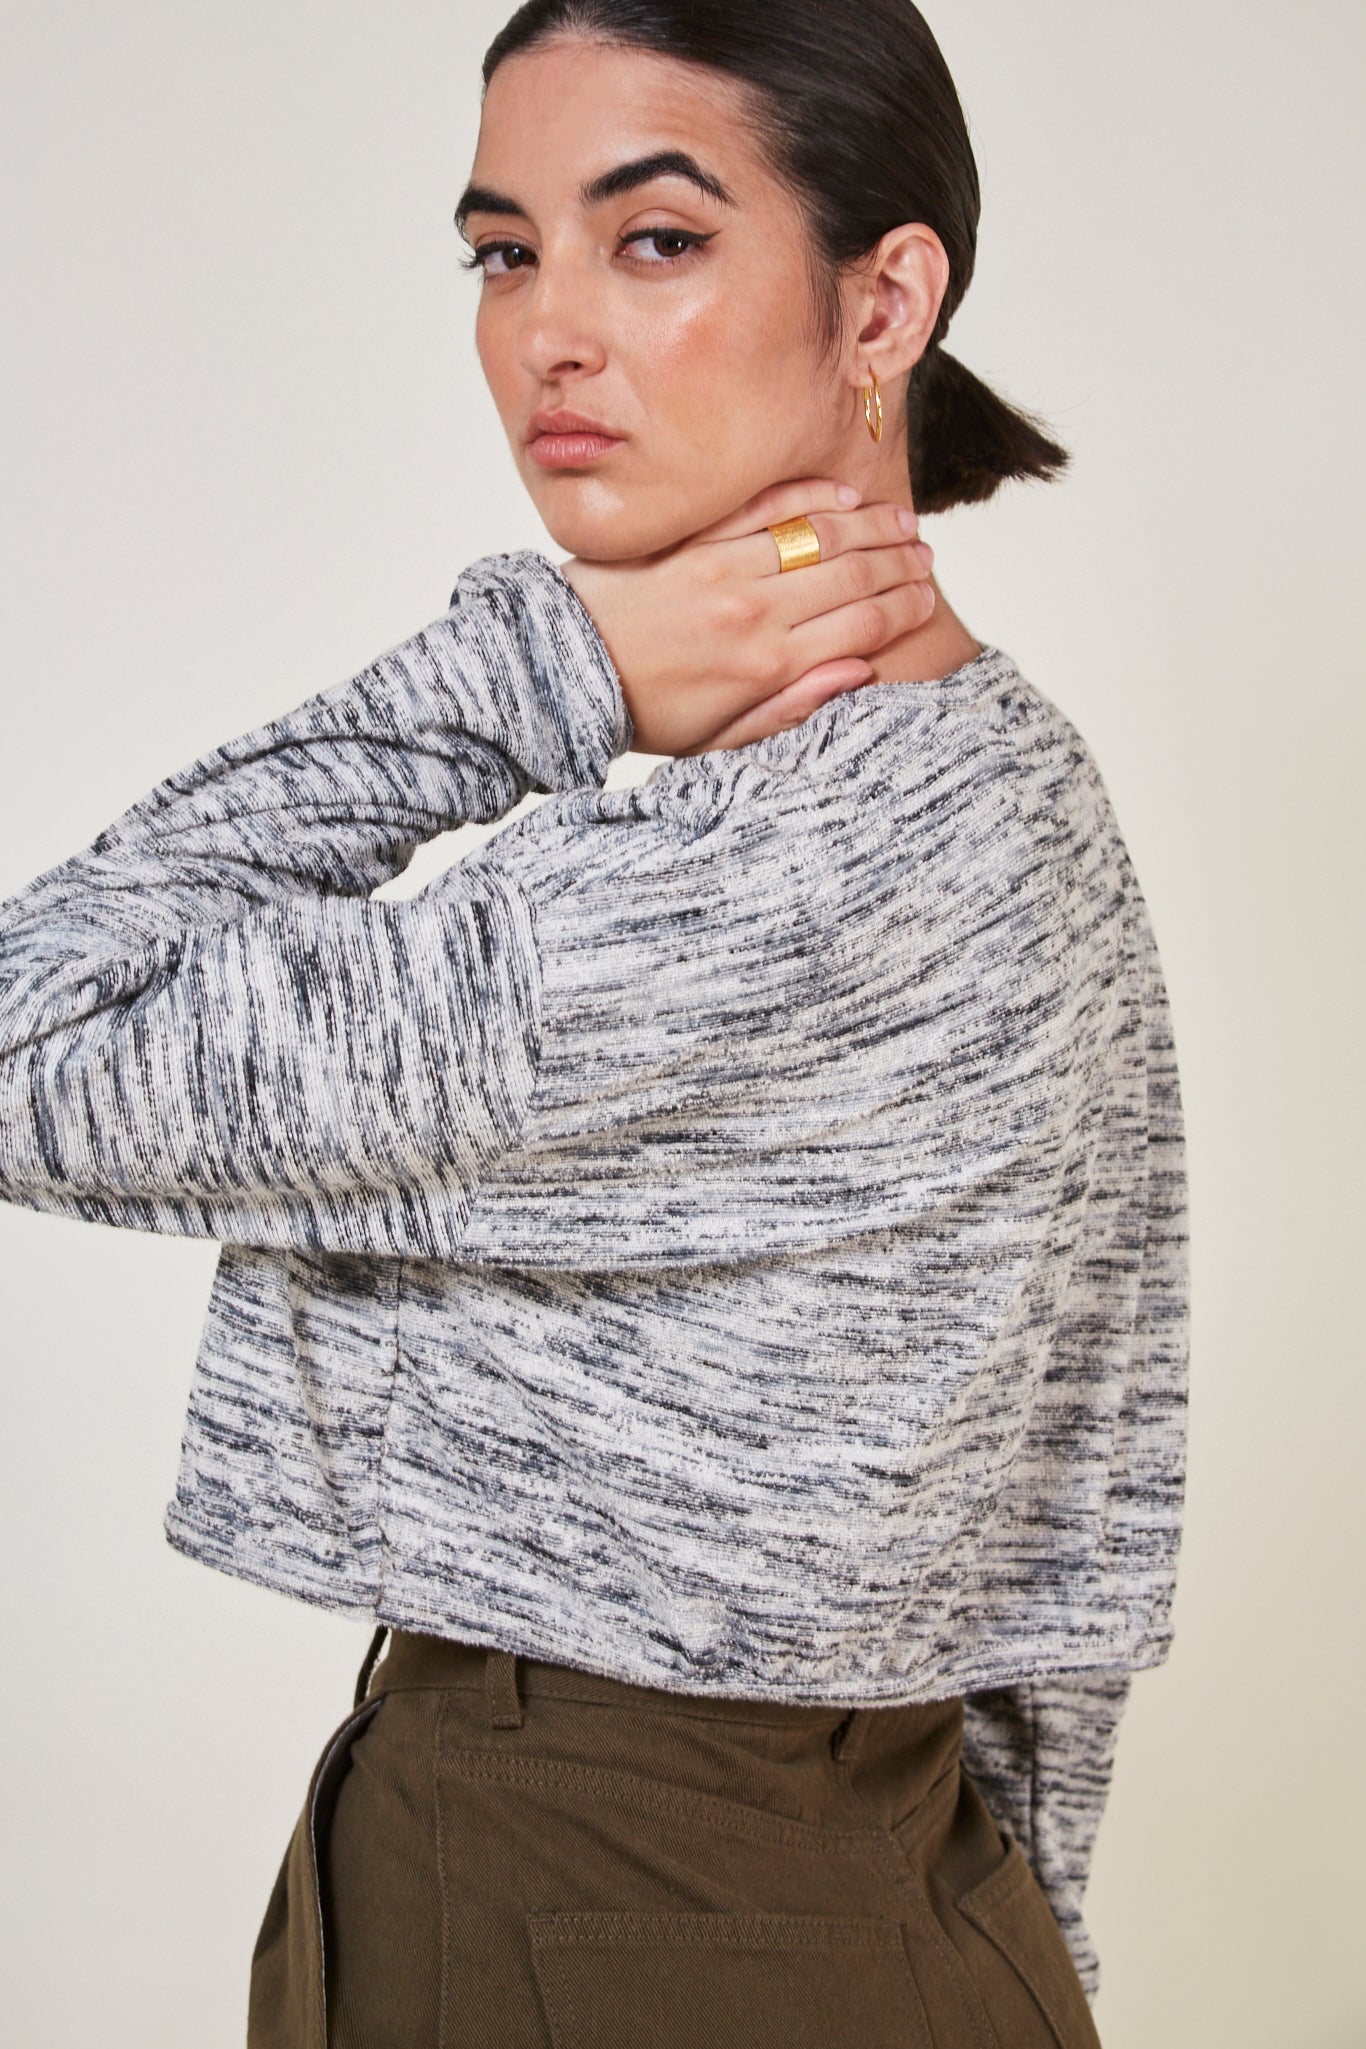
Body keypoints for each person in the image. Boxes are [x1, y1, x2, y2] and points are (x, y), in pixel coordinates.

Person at [0, 2, 1189, 2044]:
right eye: (501, 250)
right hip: (861, 1896)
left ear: (883, 299)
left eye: (653, 239)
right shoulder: (1003, 779)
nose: (546, 331)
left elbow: (29, 1042)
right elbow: (1064, 1529)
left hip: (610, 1911)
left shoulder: (760, 883)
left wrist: (530, 668)